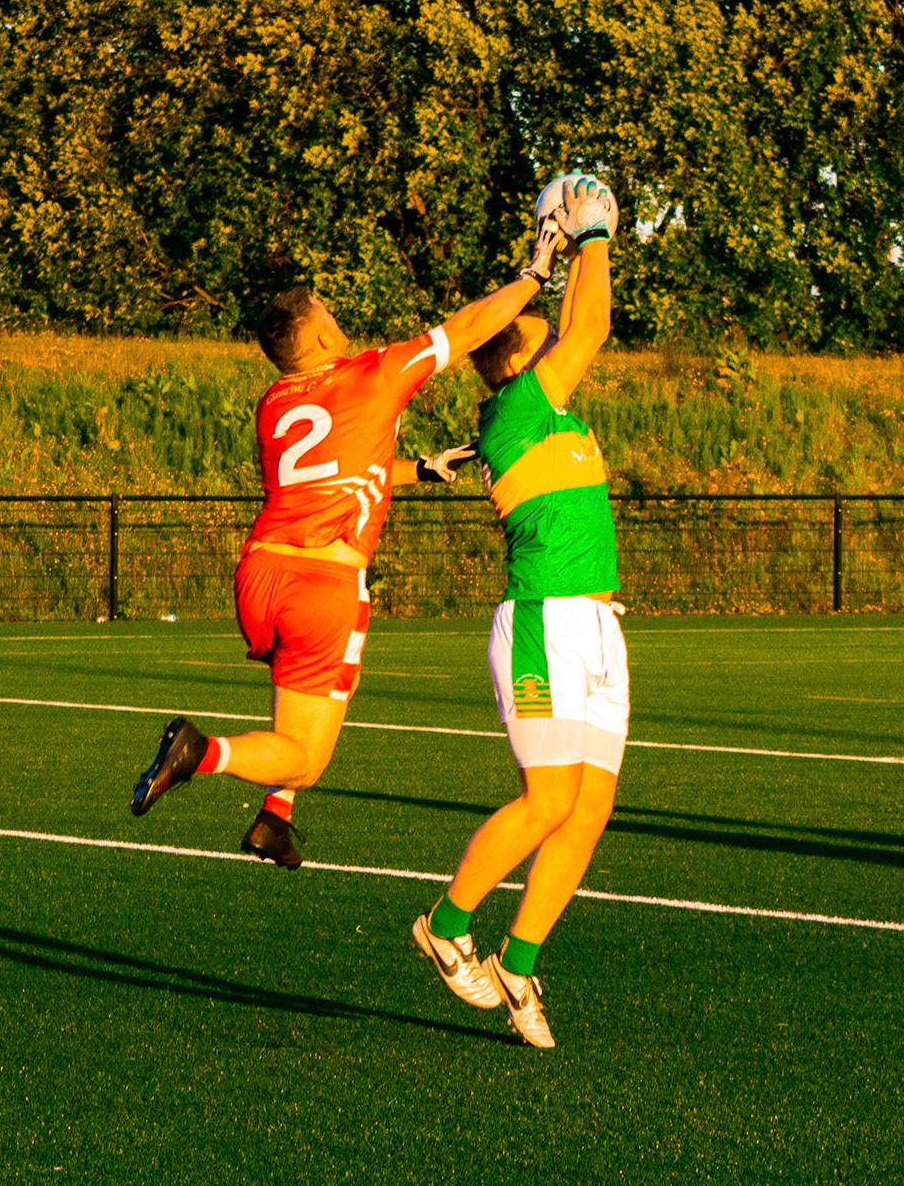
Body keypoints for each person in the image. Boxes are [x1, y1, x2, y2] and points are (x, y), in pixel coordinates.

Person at [127, 209, 577, 868]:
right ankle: (202, 752)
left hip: (261, 575)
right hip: (323, 583)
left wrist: (419, 469)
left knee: (305, 708)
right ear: (317, 334)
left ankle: (275, 819)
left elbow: (334, 473)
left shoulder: (275, 403)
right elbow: (467, 328)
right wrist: (534, 273)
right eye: (328, 313)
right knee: (305, 757)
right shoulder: (371, 372)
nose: (338, 319)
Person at [410, 178, 625, 1047]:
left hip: (597, 625)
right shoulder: (522, 403)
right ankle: (446, 925)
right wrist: (594, 234)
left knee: (590, 809)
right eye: (542, 337)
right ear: (517, 361)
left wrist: (559, 250)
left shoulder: (537, 410)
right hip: (544, 620)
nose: (558, 340)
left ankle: (519, 962)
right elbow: (591, 326)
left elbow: (575, 328)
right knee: (547, 800)